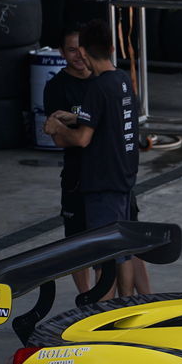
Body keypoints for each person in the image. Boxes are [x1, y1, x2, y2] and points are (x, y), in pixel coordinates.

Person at [44, 19, 143, 299]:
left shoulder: (96, 88)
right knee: (122, 252)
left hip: (101, 184)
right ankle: (125, 307)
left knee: (103, 258)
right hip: (124, 179)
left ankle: (104, 319)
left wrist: (58, 127)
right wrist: (75, 117)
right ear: (111, 48)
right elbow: (108, 118)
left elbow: (81, 139)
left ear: (84, 52)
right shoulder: (122, 80)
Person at [43, 27, 93, 293]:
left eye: (82, 48)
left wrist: (74, 126)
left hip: (108, 174)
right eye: (71, 49)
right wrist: (87, 132)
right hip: (76, 176)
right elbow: (59, 140)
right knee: (77, 243)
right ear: (62, 53)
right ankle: (86, 299)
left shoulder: (104, 80)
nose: (79, 55)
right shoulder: (56, 87)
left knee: (119, 245)